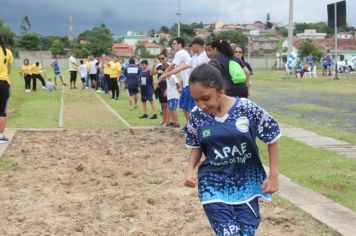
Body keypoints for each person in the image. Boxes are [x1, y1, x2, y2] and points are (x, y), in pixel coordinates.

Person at [184, 63, 280, 236]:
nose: (201, 105)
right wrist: (190, 168)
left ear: (220, 91)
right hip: (212, 185)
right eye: (195, 100)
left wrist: (273, 175)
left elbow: (272, 136)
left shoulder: (246, 108)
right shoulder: (197, 116)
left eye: (205, 98)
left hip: (247, 185)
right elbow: (196, 145)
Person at [159, 37, 192, 134]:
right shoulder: (184, 53)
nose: (173, 46)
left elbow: (172, 66)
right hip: (187, 83)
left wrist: (163, 75)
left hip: (189, 84)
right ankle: (189, 126)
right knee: (184, 106)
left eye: (174, 44)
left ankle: (191, 127)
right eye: (172, 44)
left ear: (180, 44)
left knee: (187, 107)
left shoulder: (180, 53)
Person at [151, 50, 170, 127]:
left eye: (163, 58)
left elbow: (171, 79)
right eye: (160, 58)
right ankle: (163, 121)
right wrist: (153, 65)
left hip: (166, 87)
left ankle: (167, 122)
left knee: (166, 105)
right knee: (162, 105)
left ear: (166, 58)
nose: (161, 60)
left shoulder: (169, 66)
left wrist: (167, 89)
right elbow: (152, 74)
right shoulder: (159, 66)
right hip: (159, 88)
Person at [0, 34, 13, 143]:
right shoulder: (7, 52)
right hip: (3, 83)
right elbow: (9, 70)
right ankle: (0, 136)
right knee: (2, 111)